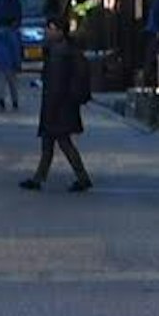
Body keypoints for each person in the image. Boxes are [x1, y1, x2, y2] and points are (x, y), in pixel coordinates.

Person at [25, 24, 93, 192]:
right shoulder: (62, 51)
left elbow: (56, 84)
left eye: (51, 28)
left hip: (58, 106)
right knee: (50, 144)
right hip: (62, 105)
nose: (47, 32)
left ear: (59, 32)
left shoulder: (59, 54)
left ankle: (82, 177)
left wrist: (52, 107)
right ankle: (39, 178)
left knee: (62, 143)